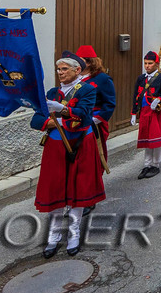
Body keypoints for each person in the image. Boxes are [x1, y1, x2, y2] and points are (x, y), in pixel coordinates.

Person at [30, 52, 106, 257]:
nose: (60, 73)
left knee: (78, 190)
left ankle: (73, 235)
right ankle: (53, 237)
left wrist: (61, 110)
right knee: (55, 190)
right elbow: (36, 120)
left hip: (80, 144)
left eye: (64, 69)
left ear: (77, 70)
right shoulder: (52, 92)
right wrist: (51, 122)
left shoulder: (88, 89)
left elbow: (83, 115)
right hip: (55, 146)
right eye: (59, 69)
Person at [133, 51, 161, 179]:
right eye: (145, 63)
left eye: (150, 63)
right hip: (144, 112)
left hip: (156, 112)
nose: (147, 66)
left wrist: (159, 99)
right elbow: (136, 96)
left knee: (155, 140)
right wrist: (134, 113)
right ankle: (146, 164)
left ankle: (156, 164)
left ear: (157, 64)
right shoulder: (140, 78)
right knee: (146, 139)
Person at [77, 45, 116, 163]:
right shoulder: (74, 78)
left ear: (89, 63)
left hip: (94, 122)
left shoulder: (103, 79)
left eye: (79, 60)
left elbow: (109, 103)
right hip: (76, 121)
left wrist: (96, 119)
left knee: (93, 155)